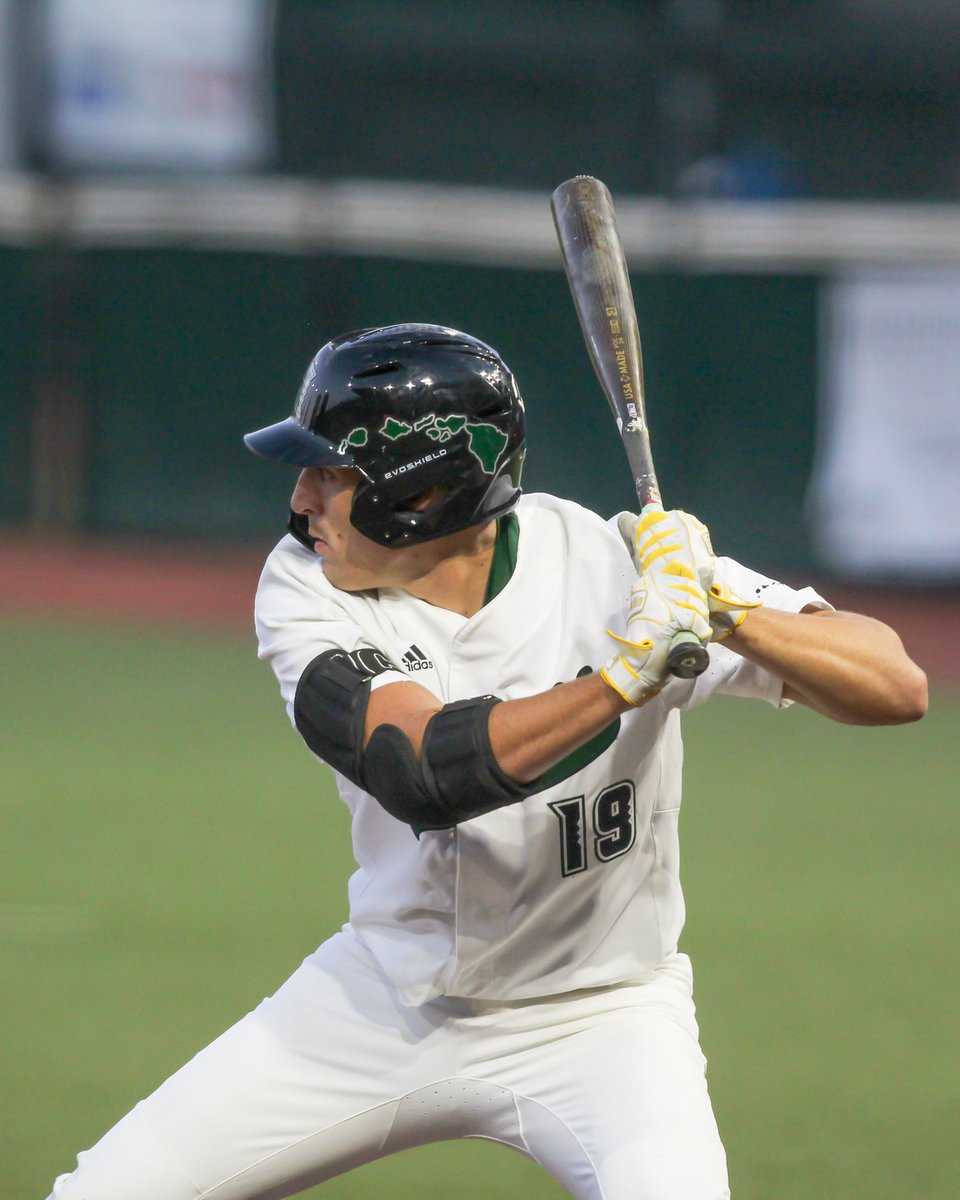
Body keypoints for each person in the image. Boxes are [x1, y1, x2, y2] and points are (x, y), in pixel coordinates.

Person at [48, 323, 927, 1200]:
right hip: (382, 1002)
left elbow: (896, 686)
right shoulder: (303, 586)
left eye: (331, 473)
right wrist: (624, 677)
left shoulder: (609, 562)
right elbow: (423, 772)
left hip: (607, 1017)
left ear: (419, 493)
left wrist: (723, 607)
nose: (302, 499)